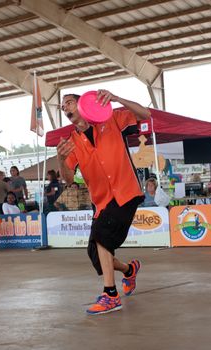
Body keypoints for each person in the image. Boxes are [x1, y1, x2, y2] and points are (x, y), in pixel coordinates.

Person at [57, 89, 149, 315]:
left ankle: (110, 295)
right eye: (62, 106)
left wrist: (118, 99)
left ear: (82, 105)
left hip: (126, 192)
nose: (64, 107)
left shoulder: (112, 118)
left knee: (101, 236)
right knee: (95, 253)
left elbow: (144, 114)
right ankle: (129, 269)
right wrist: (60, 159)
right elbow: (68, 179)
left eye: (68, 102)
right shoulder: (72, 142)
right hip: (102, 202)